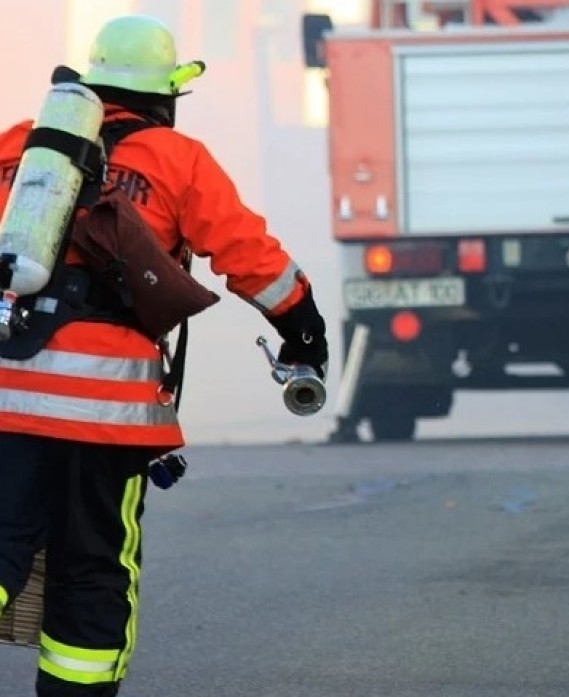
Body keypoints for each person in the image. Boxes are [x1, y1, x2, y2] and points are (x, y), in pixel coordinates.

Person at [0, 15, 328, 697]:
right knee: (92, 567)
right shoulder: (178, 160)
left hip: (7, 396)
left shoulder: (20, 147)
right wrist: (303, 327)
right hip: (103, 413)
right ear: (166, 93)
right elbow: (249, 257)